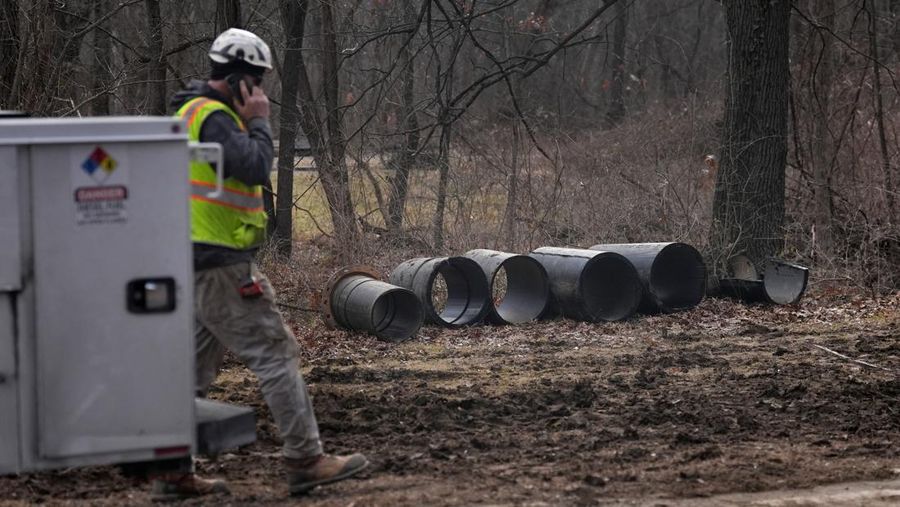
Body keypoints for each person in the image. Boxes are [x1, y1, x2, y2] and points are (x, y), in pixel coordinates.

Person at [157, 28, 368, 500]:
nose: (262, 92)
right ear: (239, 81)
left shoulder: (189, 112)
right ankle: (306, 459)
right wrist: (258, 122)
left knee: (186, 373)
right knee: (276, 354)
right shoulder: (214, 118)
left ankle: (173, 472)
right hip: (222, 264)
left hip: (194, 262)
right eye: (258, 82)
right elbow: (253, 168)